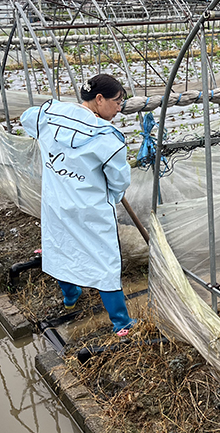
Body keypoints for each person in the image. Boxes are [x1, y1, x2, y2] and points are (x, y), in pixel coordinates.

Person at [21, 73, 136, 335]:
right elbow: (118, 181)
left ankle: (70, 296)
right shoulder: (107, 138)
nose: (119, 108)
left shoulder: (50, 115)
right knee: (105, 260)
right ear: (99, 99)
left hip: (56, 203)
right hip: (90, 210)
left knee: (61, 248)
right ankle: (121, 323)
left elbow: (27, 118)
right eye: (117, 102)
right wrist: (111, 197)